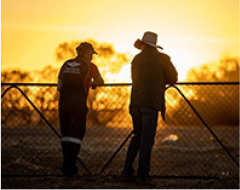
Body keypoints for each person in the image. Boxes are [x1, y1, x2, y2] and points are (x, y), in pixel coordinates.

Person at [121, 31, 178, 182]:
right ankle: (143, 174)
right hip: (151, 103)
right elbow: (174, 78)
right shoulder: (162, 58)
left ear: (143, 45)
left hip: (135, 103)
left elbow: (135, 78)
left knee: (137, 136)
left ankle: (127, 170)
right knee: (147, 139)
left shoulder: (137, 59)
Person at [57, 42, 104, 176]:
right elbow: (101, 81)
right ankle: (70, 167)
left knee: (65, 135)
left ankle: (67, 165)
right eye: (91, 54)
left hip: (63, 103)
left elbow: (59, 87)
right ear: (86, 53)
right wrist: (93, 84)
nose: (92, 57)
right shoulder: (90, 66)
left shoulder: (66, 64)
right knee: (76, 135)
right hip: (78, 103)